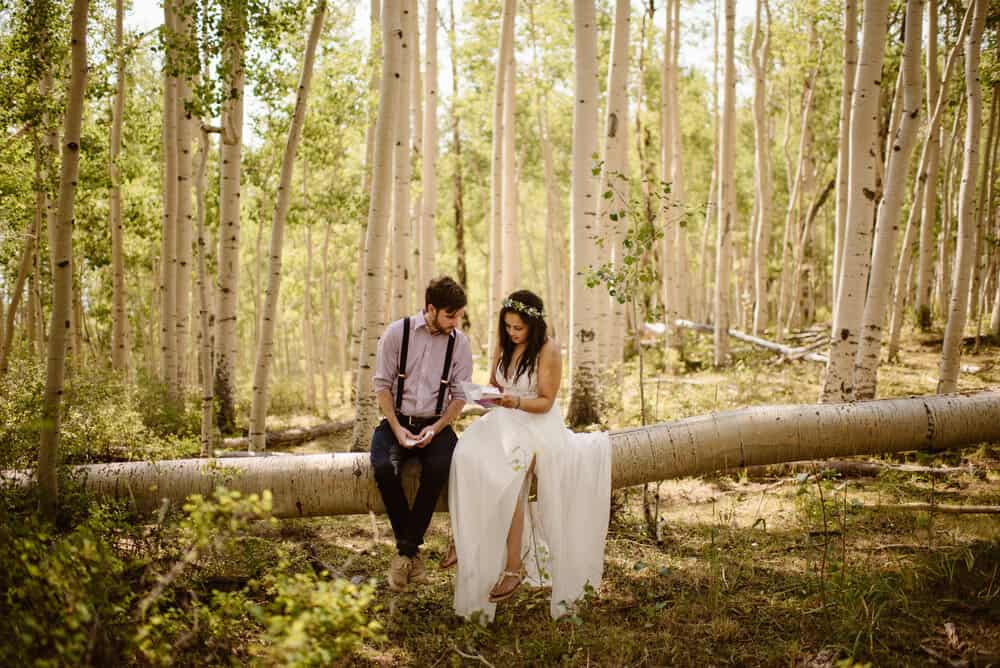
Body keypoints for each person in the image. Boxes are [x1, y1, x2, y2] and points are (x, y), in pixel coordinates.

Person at [448, 289, 611, 622]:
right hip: (504, 418)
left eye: (518, 328)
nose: (512, 333)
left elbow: (546, 401)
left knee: (508, 471)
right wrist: (488, 397)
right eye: (507, 327)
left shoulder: (548, 350)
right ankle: (463, 537)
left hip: (536, 422)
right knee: (464, 454)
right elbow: (495, 383)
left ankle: (513, 565)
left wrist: (515, 402)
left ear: (534, 324)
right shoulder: (505, 344)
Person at [370, 276, 473, 592]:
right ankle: (411, 552)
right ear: (431, 308)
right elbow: (382, 386)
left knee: (440, 468)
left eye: (458, 316)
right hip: (396, 420)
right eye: (450, 315)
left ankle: (404, 553)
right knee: (384, 468)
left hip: (437, 424)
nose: (456, 322)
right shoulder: (396, 333)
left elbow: (459, 395)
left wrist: (437, 427)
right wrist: (398, 428)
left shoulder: (460, 343)